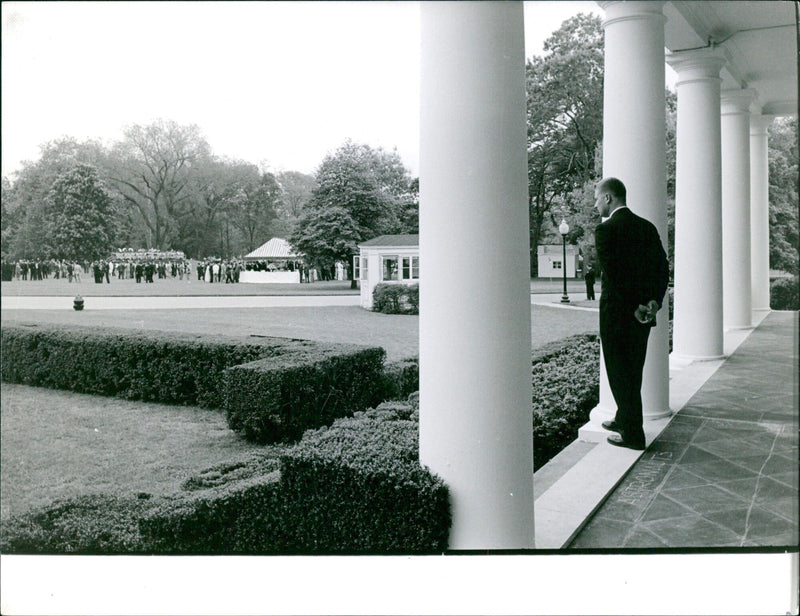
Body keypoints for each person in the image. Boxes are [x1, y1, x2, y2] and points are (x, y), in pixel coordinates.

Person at [594, 177, 669, 450]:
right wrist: (653, 302)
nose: (594, 205)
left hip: (617, 315)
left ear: (608, 198)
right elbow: (663, 267)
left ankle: (633, 435)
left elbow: (614, 277)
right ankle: (622, 416)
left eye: (596, 198)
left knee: (618, 372)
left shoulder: (605, 231)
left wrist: (633, 306)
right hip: (644, 313)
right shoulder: (646, 227)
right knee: (633, 369)